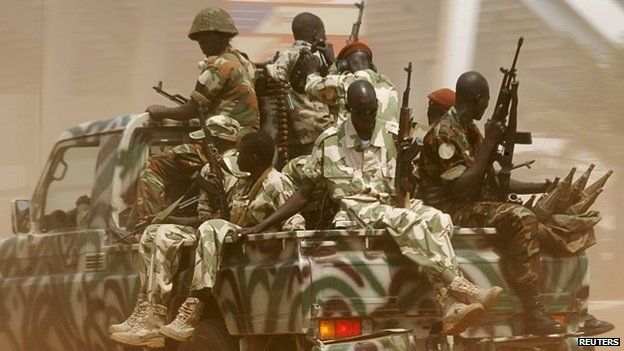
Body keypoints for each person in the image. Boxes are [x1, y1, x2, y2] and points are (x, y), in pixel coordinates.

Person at [242, 80, 502, 335]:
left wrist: (407, 161)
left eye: (372, 112)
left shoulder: (391, 134)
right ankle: (458, 286)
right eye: (362, 113)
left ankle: (449, 303)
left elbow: (408, 184)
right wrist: (262, 226)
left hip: (390, 205)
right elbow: (303, 194)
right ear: (350, 110)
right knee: (404, 221)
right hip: (356, 211)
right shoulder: (330, 141)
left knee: (439, 219)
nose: (368, 118)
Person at [418, 71, 565, 335]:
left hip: (469, 205)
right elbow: (460, 190)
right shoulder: (444, 133)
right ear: (477, 99)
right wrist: (489, 145)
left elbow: (493, 178)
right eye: (485, 101)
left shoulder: (469, 130)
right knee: (521, 218)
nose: (487, 107)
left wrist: (543, 187)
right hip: (449, 211)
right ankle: (533, 311)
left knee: (543, 219)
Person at [154, 132, 305, 342]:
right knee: (179, 230)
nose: (236, 158)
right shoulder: (244, 183)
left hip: (259, 255)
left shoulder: (276, 183)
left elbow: (294, 223)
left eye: (241, 154)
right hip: (236, 246)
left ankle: (196, 299)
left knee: (211, 227)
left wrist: (265, 234)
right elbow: (227, 217)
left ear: (253, 159)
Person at [109, 116, 242, 348]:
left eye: (205, 143)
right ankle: (150, 311)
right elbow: (203, 216)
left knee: (167, 232)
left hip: (228, 232)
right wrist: (167, 219)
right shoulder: (208, 169)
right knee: (154, 232)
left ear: (217, 143)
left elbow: (230, 215)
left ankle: (171, 309)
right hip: (208, 230)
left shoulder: (238, 167)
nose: (200, 148)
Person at [131, 7, 259, 225]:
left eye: (206, 38)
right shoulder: (245, 62)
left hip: (219, 145)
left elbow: (190, 110)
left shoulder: (217, 65)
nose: (202, 44)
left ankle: (147, 227)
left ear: (222, 35)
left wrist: (162, 111)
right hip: (245, 142)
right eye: (199, 39)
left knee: (155, 166)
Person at [264, 12, 333, 159]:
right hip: (317, 130)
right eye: (323, 34)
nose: (325, 38)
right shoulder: (316, 56)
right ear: (315, 34)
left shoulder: (281, 56)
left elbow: (274, 80)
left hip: (292, 133)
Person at [305, 41, 399, 133]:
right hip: (385, 143)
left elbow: (312, 87)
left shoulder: (344, 83)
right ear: (371, 64)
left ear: (344, 65)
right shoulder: (388, 84)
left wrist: (311, 70)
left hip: (354, 145)